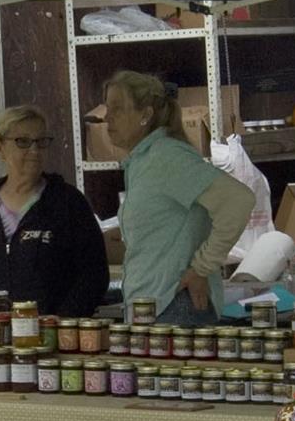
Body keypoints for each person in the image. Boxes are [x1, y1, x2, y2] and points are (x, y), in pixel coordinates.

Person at [103, 69, 254, 328]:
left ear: (145, 115)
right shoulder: (143, 160)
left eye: (117, 109)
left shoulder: (167, 156)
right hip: (154, 306)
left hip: (174, 306)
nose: (107, 118)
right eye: (107, 108)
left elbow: (238, 200)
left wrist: (202, 268)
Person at [0, 105, 108, 314]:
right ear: (0, 146)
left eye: (41, 142)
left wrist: (59, 323)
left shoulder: (68, 203)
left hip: (52, 339)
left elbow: (94, 274)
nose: (34, 150)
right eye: (23, 142)